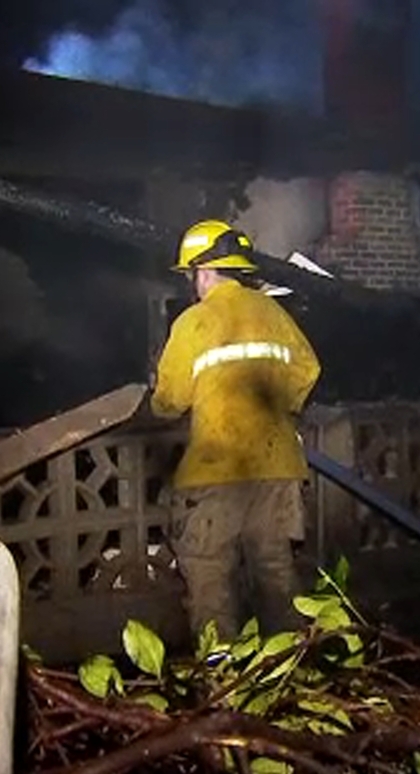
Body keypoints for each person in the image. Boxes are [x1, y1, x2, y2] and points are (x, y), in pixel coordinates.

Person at [150, 219, 322, 640]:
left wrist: (157, 400)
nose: (194, 283)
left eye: (193, 275)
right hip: (279, 469)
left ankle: (224, 688)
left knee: (210, 588)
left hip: (215, 474)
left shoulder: (194, 322)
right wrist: (277, 410)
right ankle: (290, 683)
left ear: (204, 272)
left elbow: (169, 402)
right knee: (278, 582)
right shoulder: (274, 313)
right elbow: (308, 370)